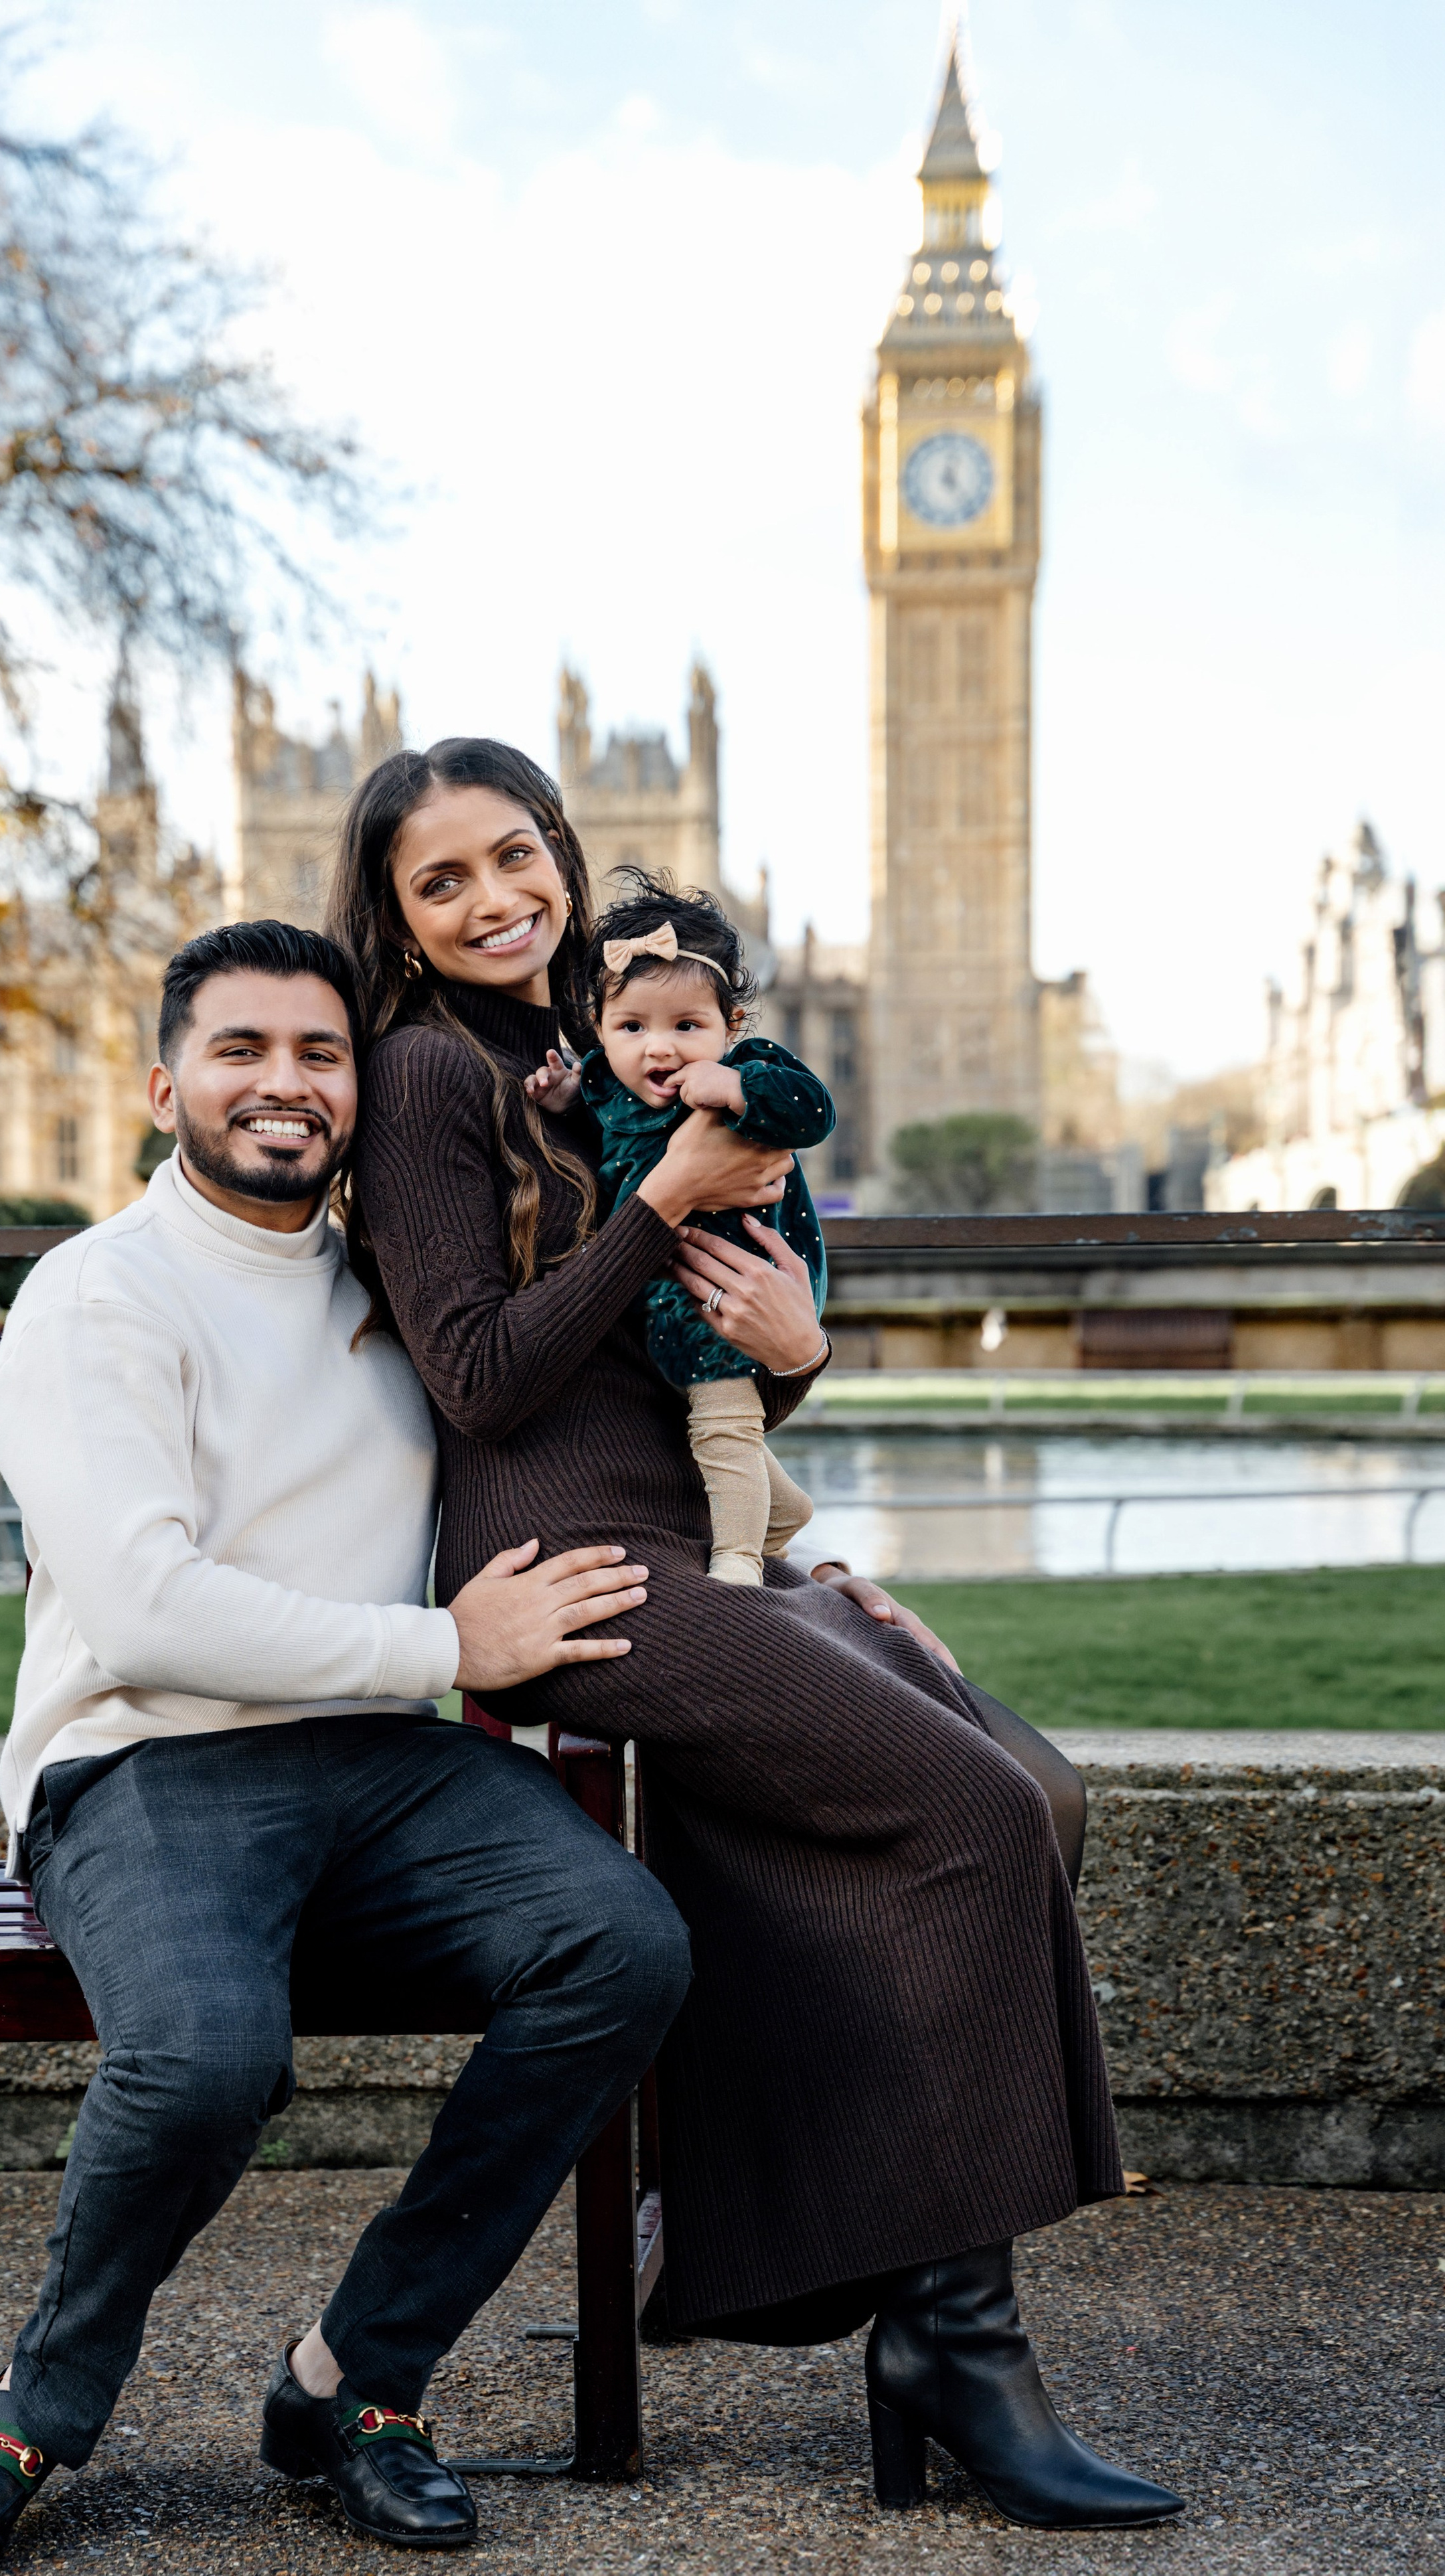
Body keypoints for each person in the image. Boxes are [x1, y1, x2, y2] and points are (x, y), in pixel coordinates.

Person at [331, 739, 1185, 2532]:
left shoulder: (593, 1052)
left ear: (565, 858)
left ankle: (850, 2258)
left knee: (1029, 1780)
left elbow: (681, 1366)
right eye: (446, 882)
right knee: (960, 1815)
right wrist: (660, 1205)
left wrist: (792, 1352)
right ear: (397, 918)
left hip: (695, 1548)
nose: (498, 900)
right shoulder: (424, 1073)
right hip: (575, 1574)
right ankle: (957, 2348)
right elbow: (485, 1378)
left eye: (520, 857)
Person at [0, 919, 692, 2572]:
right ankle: (40, 2398)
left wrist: (805, 1566)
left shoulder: (396, 1295)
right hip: (150, 1759)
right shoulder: (100, 1290)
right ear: (165, 1075)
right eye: (241, 1047)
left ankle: (354, 2377)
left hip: (380, 1764)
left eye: (318, 1053)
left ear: (360, 1087)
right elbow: (151, 1605)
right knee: (202, 2055)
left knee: (622, 1942)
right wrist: (444, 1649)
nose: (283, 1082)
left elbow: (616, 1437)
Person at [525, 870, 829, 1584]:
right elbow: (601, 1151)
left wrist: (739, 1089)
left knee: (723, 1425)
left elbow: (814, 1111)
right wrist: (567, 1099)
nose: (659, 1049)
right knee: (708, 1427)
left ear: (733, 1027)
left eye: (686, 1026)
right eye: (632, 1027)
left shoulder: (751, 1069)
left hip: (728, 1301)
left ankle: (738, 1563)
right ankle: (782, 1512)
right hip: (654, 1304)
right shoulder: (607, 1085)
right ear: (596, 1030)